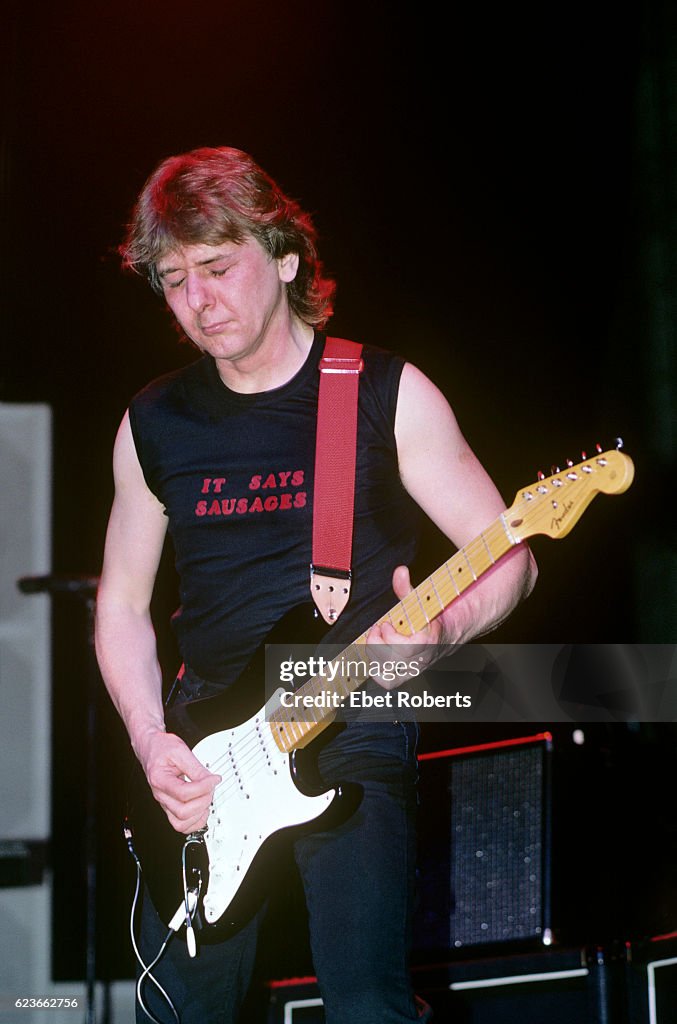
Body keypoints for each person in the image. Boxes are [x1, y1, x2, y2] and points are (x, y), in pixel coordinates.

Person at [95, 145, 537, 1024]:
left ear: (285, 256)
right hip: (207, 749)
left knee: (366, 1003)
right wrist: (151, 742)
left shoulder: (383, 391)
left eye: (218, 268)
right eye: (174, 279)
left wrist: (443, 632)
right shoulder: (153, 421)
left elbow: (511, 555)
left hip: (352, 721)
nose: (197, 302)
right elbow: (120, 603)